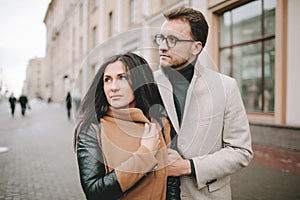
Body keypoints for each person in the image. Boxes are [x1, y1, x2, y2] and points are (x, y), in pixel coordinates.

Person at [153, 7, 253, 199]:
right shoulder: (146, 84)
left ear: (196, 47)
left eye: (172, 40)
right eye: (161, 38)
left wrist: (189, 167)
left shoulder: (226, 87)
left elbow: (241, 151)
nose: (162, 47)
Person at [74, 53, 178, 200]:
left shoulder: (161, 123)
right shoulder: (93, 130)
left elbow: (171, 182)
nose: (113, 87)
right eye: (107, 80)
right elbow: (94, 192)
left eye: (122, 78)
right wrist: (145, 154)